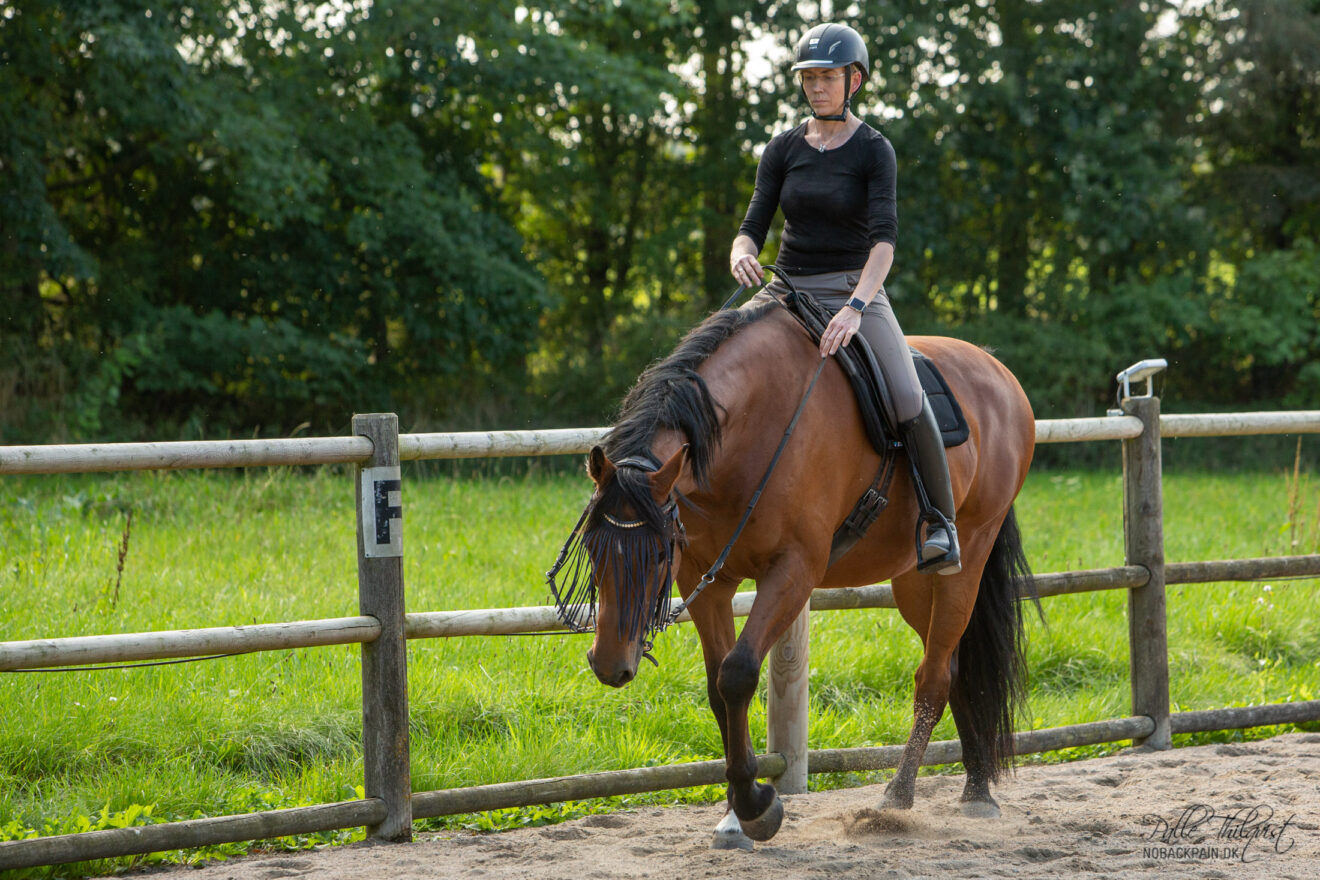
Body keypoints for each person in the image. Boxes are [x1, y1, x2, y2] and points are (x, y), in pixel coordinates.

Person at [729, 21, 960, 575]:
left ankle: (939, 524)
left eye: (827, 76)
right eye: (808, 77)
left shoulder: (874, 150)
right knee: (714, 364)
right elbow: (753, 223)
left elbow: (885, 241)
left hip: (855, 286)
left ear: (853, 79)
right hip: (785, 286)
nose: (816, 86)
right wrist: (741, 251)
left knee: (906, 393)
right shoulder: (783, 148)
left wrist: (857, 307)